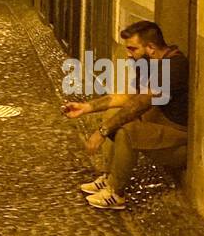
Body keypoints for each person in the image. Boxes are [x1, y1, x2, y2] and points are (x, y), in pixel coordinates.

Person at [61, 21, 188, 211]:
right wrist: (87, 107)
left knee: (127, 130)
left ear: (151, 48)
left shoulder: (174, 67)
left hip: (178, 139)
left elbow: (139, 104)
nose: (129, 54)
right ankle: (109, 176)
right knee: (114, 114)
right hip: (157, 123)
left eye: (133, 49)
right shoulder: (148, 63)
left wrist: (102, 131)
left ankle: (116, 192)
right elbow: (130, 96)